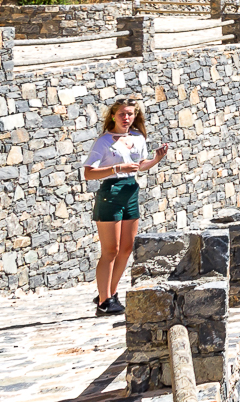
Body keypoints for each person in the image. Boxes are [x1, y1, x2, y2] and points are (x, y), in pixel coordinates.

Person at [82, 98, 169, 315]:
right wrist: (117, 168)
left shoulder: (138, 137)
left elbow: (139, 166)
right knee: (110, 250)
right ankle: (104, 301)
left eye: (130, 114)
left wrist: (156, 159)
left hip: (131, 191)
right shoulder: (104, 141)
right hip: (111, 193)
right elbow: (89, 173)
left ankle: (109, 294)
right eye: (122, 114)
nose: (126, 118)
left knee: (126, 248)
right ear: (113, 116)